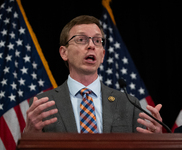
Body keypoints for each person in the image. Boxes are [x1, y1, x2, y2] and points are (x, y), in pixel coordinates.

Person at [24, 15, 163, 134]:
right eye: (81, 40)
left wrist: (155, 141)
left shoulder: (129, 104)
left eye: (97, 41)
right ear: (64, 53)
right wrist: (29, 135)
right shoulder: (42, 104)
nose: (91, 45)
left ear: (102, 55)